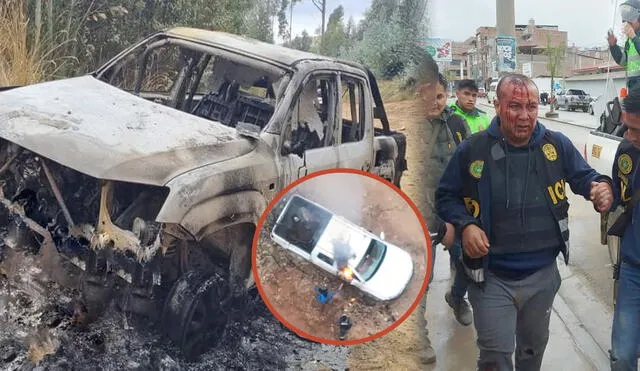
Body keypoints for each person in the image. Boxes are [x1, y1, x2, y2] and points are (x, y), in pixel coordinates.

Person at [435, 73, 614, 371]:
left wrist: (599, 186)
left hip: (543, 276)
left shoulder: (556, 145)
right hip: (491, 277)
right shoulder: (472, 150)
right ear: (496, 105)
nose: (524, 116)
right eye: (515, 106)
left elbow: (584, 176)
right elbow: (445, 198)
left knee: (532, 352)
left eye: (531, 107)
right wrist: (466, 225)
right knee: (495, 357)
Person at [418, 71, 473, 364]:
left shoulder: (457, 123)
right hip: (420, 214)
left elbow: (472, 164)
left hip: (454, 210)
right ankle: (419, 338)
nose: (434, 102)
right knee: (421, 279)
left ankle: (456, 296)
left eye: (439, 96)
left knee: (472, 259)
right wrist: (438, 224)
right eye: (428, 96)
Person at [609, 88, 640, 371]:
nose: (628, 136)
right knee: (622, 356)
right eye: (626, 127)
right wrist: (603, 196)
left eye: (635, 130)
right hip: (633, 269)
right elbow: (617, 195)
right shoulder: (627, 149)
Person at [608, 0, 640, 93]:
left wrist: (634, 37)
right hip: (633, 85)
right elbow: (623, 61)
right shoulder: (630, 40)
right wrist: (613, 46)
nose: (627, 22)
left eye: (630, 18)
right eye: (625, 19)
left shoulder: (633, 38)